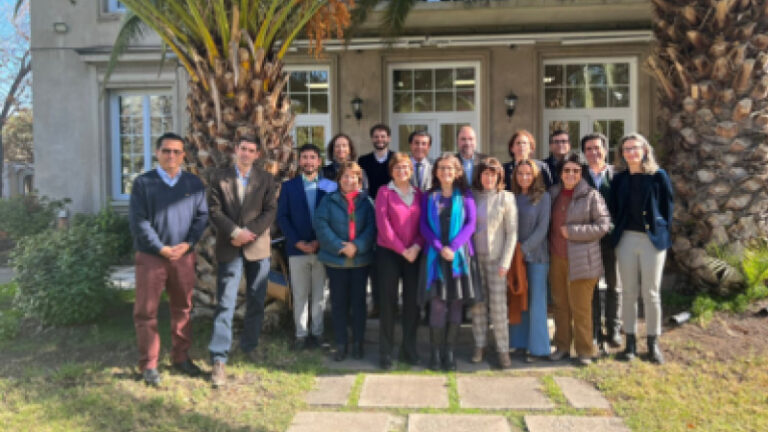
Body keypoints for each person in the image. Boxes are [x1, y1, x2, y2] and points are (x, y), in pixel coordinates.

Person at [129, 132, 208, 387]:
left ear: (183, 155)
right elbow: (139, 221)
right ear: (157, 153)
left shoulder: (193, 183)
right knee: (146, 312)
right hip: (151, 257)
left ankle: (181, 357)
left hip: (183, 257)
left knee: (183, 308)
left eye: (176, 151)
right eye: (166, 151)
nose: (171, 156)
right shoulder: (143, 183)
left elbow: (201, 217)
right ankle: (149, 364)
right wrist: (160, 248)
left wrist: (189, 244)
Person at [207, 136, 277, 387]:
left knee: (257, 300)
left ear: (257, 155)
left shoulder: (266, 179)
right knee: (225, 302)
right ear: (236, 150)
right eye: (243, 149)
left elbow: (270, 211)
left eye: (251, 150)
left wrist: (249, 232)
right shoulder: (219, 177)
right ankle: (219, 358)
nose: (246, 153)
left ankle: (250, 345)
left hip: (257, 248)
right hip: (230, 246)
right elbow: (214, 211)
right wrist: (236, 232)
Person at [609, 133, 673, 365]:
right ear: (622, 153)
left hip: (651, 241)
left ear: (645, 150)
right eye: (626, 149)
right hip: (626, 239)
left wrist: (660, 231)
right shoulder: (619, 179)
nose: (631, 152)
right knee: (628, 292)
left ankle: (653, 344)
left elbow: (667, 208)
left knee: (651, 293)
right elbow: (614, 208)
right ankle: (630, 344)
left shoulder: (658, 176)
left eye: (635, 148)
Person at [418, 153, 480, 371]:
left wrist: (453, 247)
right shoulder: (429, 196)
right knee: (437, 304)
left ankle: (450, 352)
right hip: (435, 257)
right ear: (436, 172)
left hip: (458, 257)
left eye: (450, 168)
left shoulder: (466, 195)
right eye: (442, 168)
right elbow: (423, 225)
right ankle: (435, 353)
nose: (446, 172)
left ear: (457, 172)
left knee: (455, 303)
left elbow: (471, 224)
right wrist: (439, 247)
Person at [548, 152, 610, 366]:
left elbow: (603, 225)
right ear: (560, 173)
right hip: (557, 258)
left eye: (576, 170)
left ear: (581, 173)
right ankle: (562, 347)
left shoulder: (591, 195)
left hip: (583, 261)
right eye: (567, 170)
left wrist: (573, 232)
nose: (571, 174)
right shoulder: (553, 194)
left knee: (581, 309)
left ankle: (585, 351)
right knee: (560, 306)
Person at [314, 161, 376, 361]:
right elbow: (321, 225)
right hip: (336, 261)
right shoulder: (328, 200)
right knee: (338, 303)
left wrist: (356, 246)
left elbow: (372, 228)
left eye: (354, 176)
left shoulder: (367, 202)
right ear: (339, 179)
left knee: (359, 304)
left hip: (360, 261)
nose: (349, 180)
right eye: (345, 176)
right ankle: (341, 344)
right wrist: (340, 247)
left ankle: (358, 343)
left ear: (359, 180)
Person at [277, 144, 329, 352]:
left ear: (319, 162)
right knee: (299, 294)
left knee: (319, 295)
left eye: (312, 157)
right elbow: (283, 217)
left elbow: (333, 216)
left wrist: (320, 241)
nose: (308, 161)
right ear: (299, 161)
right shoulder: (289, 187)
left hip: (322, 249)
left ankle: (317, 333)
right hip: (297, 250)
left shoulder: (328, 186)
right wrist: (297, 242)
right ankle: (301, 335)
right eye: (305, 157)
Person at [374, 152, 424, 369]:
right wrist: (403, 250)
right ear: (391, 171)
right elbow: (383, 226)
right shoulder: (384, 192)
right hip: (389, 254)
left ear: (411, 170)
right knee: (388, 303)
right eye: (397, 167)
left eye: (405, 167)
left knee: (412, 304)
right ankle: (385, 351)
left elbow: (425, 224)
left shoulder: (419, 194)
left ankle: (408, 349)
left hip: (414, 254)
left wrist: (416, 246)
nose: (401, 171)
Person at [469, 157, 517, 368]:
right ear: (480, 175)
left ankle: (502, 349)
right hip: (474, 259)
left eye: (493, 174)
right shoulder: (473, 196)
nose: (489, 178)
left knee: (498, 307)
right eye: (485, 174)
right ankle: (480, 345)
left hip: (497, 259)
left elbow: (512, 232)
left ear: (499, 176)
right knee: (478, 305)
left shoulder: (506, 197)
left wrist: (505, 261)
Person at [581, 133, 623, 352]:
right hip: (588, 241)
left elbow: (624, 207)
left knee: (615, 284)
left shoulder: (618, 175)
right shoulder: (579, 176)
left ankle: (613, 328)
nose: (593, 152)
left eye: (597, 148)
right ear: (584, 153)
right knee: (592, 286)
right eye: (588, 149)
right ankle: (595, 329)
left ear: (605, 150)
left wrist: (614, 228)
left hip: (613, 239)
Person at [508, 159, 552, 362]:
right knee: (519, 299)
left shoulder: (544, 197)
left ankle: (538, 349)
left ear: (535, 176)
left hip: (536, 256)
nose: (524, 177)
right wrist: (514, 251)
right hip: (515, 256)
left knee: (536, 302)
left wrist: (523, 250)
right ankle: (519, 344)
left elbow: (542, 229)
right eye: (520, 173)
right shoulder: (512, 197)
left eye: (528, 174)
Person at [358, 123, 394, 199]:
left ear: (389, 138)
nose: (379, 139)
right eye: (376, 137)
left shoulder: (396, 159)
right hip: (369, 202)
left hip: (392, 202)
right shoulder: (363, 161)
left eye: (383, 136)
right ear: (372, 139)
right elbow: (360, 184)